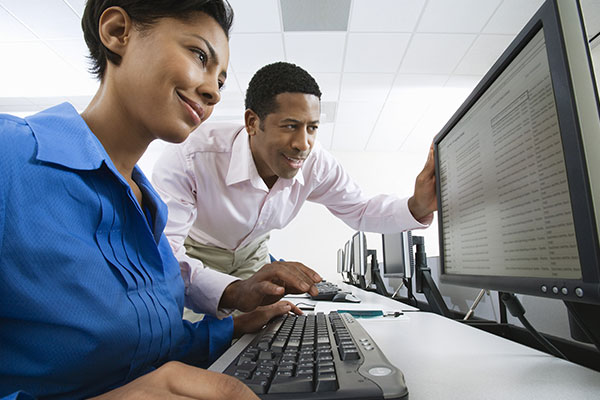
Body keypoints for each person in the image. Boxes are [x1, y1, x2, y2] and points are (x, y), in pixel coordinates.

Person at [0, 2, 319, 399]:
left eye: (220, 81)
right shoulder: (10, 156)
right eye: (199, 56)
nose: (212, 92)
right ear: (118, 32)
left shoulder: (151, 210)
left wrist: (239, 324)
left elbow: (156, 346)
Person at [152, 61, 437, 321]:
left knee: (262, 334)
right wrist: (235, 291)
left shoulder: (316, 163)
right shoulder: (191, 156)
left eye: (312, 128)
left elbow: (360, 210)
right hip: (198, 254)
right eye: (290, 126)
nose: (303, 144)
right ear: (252, 122)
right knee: (194, 336)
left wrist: (417, 207)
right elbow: (166, 253)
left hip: (253, 254)